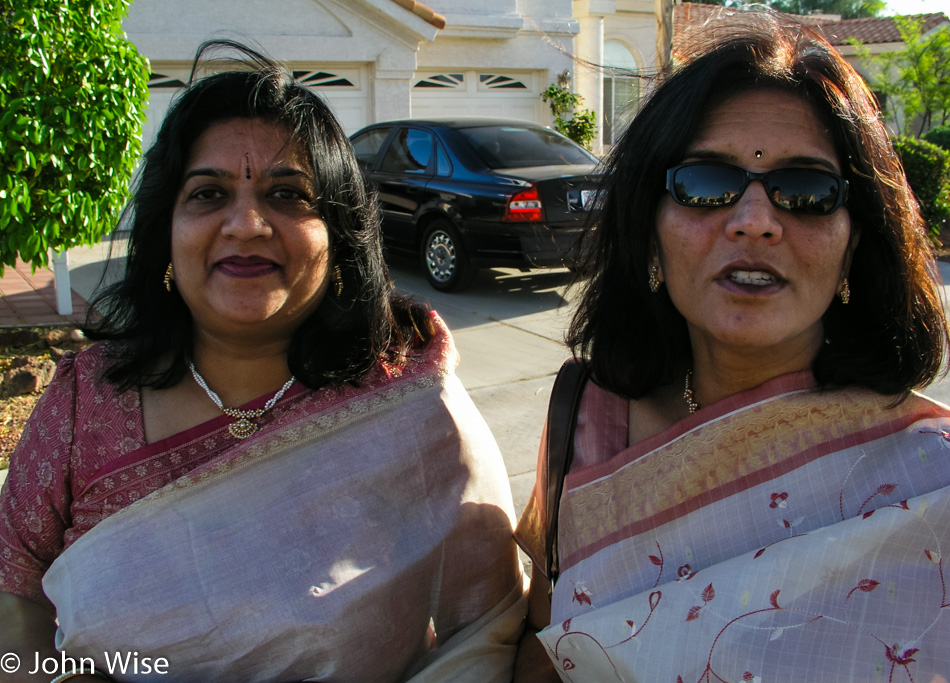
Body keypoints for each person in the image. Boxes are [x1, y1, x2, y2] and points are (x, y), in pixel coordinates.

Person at [0, 41, 525, 683]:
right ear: (167, 229)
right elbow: (14, 588)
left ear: (338, 237)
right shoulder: (85, 403)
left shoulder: (407, 407)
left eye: (287, 194)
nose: (246, 223)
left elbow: (486, 628)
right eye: (208, 194)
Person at [514, 11, 950, 682]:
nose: (753, 222)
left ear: (853, 244)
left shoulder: (926, 482)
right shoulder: (589, 421)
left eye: (804, 191)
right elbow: (543, 646)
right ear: (650, 233)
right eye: (704, 183)